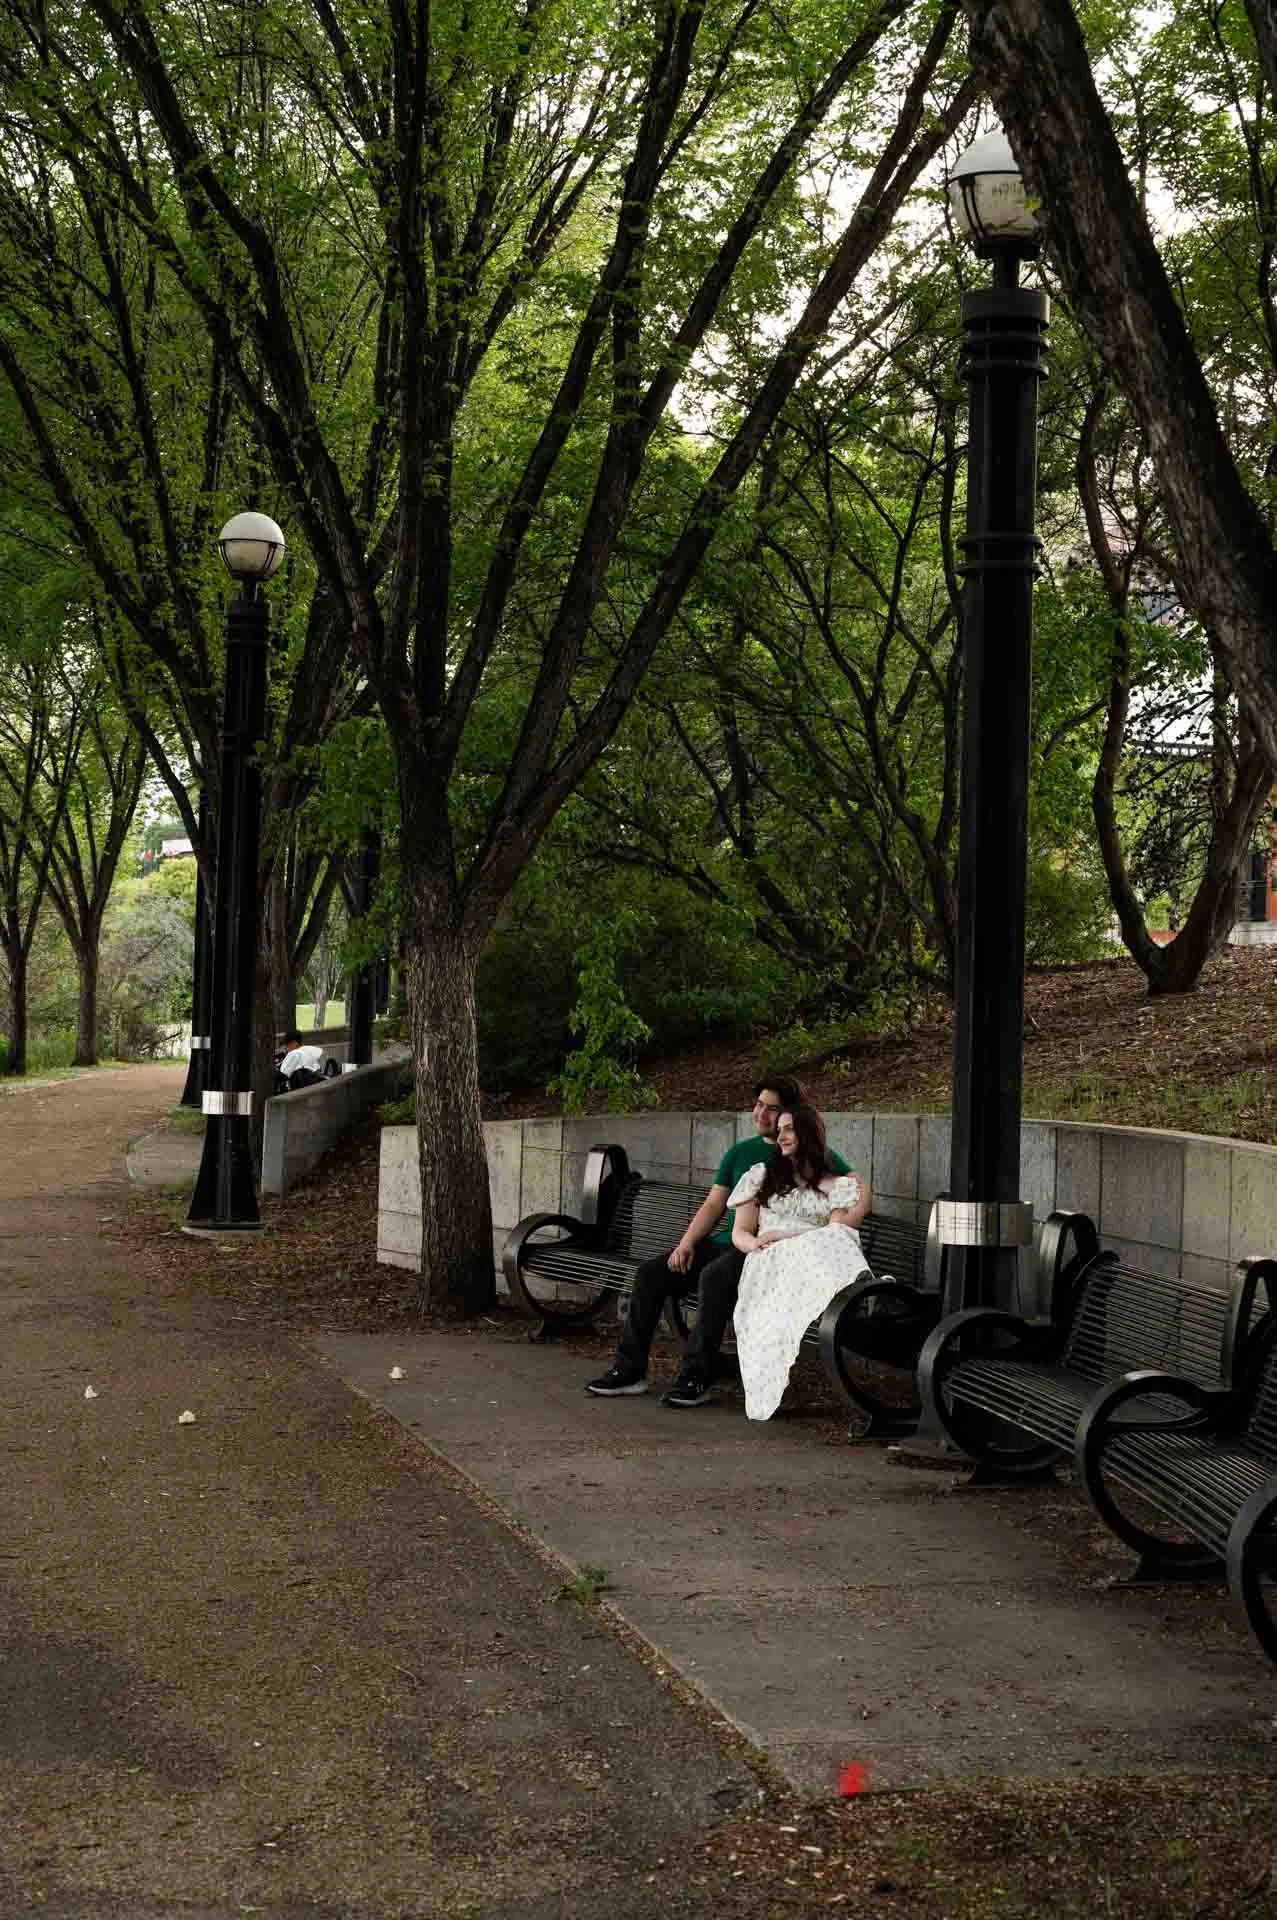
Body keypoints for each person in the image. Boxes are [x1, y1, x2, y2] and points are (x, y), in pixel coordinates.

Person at [585, 1076, 852, 1408]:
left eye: (772, 1109)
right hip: (731, 1242)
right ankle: (629, 1371)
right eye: (758, 1105)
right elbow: (713, 1205)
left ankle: (696, 1376)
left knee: (715, 1277)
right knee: (651, 1274)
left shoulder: (818, 1154)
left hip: (767, 1251)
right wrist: (686, 1243)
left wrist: (831, 1229)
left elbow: (854, 1192)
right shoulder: (741, 1153)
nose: (762, 1114)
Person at [728, 1105, 872, 1420]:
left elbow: (837, 1233)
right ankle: (861, 1292)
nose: (781, 1136)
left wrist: (820, 1186)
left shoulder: (838, 1185)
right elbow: (739, 1233)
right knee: (828, 1238)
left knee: (835, 1235)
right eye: (779, 1130)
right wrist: (757, 1243)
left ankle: (856, 1293)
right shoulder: (761, 1176)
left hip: (811, 1265)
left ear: (809, 1132)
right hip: (769, 1259)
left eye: (788, 1128)